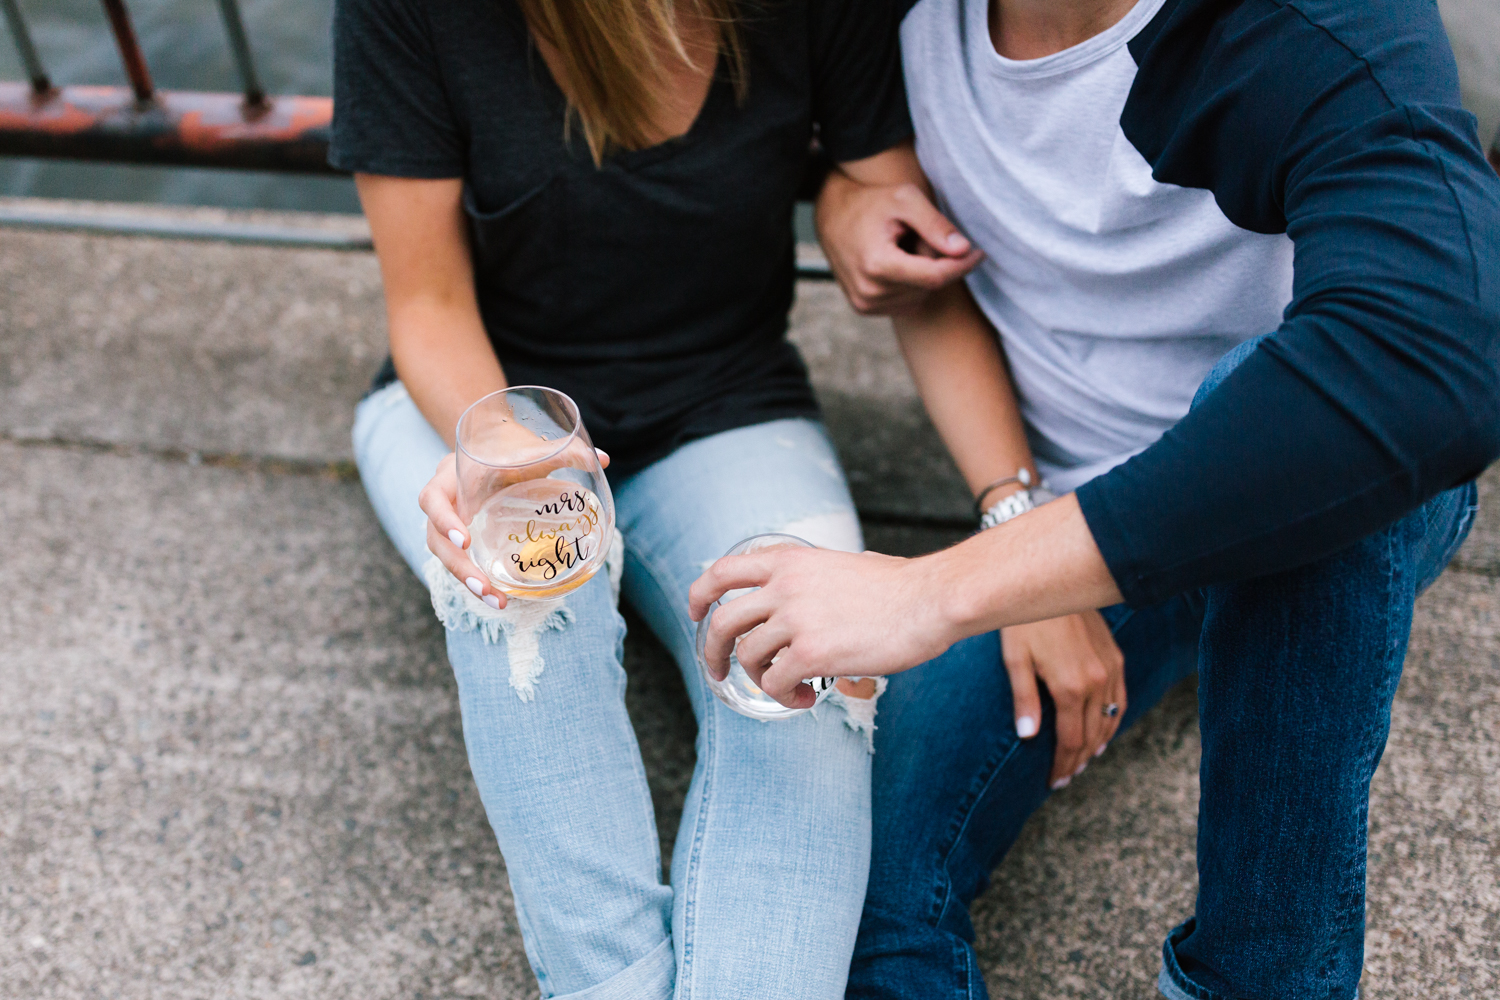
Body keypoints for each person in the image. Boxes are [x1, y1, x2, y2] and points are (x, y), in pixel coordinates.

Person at [690, 0, 1500, 997]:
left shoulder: (1313, 20)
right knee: (855, 885)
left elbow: (1432, 360)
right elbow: (870, 189)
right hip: (1058, 494)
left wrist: (944, 590)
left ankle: (1259, 981)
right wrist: (852, 187)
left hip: (1312, 493)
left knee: (1290, 411)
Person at [327, 1, 950, 996]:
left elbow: (878, 175)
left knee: (810, 672)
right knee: (524, 592)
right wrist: (508, 459)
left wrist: (851, 202)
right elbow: (428, 301)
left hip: (726, 403)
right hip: (476, 397)